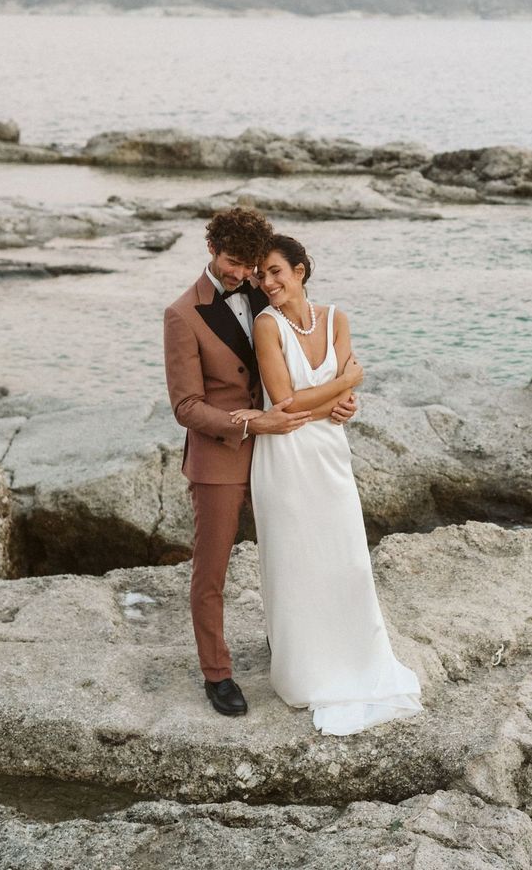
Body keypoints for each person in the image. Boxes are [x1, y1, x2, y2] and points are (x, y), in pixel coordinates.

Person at [162, 208, 357, 719]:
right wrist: (251, 424)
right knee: (212, 571)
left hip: (284, 452)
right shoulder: (182, 314)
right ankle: (217, 673)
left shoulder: (262, 291)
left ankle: (289, 646)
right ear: (211, 250)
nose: (241, 274)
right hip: (221, 457)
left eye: (249, 265)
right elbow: (185, 406)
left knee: (289, 552)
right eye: (232, 263)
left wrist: (337, 401)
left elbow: (298, 358)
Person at [232, 234, 423, 736]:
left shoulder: (337, 318)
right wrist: (346, 386)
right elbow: (285, 403)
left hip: (330, 453)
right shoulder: (265, 325)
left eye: (275, 272)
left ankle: (356, 657)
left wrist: (340, 402)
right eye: (260, 275)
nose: (266, 283)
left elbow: (303, 404)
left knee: (345, 556)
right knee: (296, 558)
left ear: (300, 271)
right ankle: (304, 669)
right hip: (286, 457)